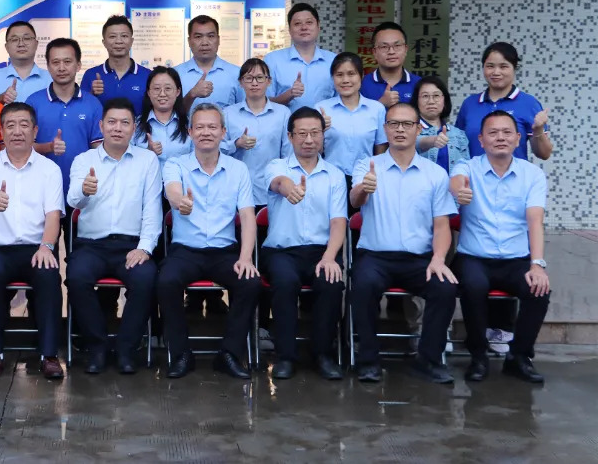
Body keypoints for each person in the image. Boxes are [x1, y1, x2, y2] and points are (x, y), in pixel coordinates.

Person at [349, 102, 458, 384]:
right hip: (375, 256)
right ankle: (368, 361)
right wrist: (364, 189)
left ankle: (429, 360)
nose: (400, 129)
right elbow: (355, 201)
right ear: (385, 129)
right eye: (393, 124)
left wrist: (438, 259)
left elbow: (442, 225)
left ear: (418, 129)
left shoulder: (435, 174)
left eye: (407, 124)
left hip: (419, 259)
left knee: (444, 288)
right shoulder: (368, 165)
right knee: (363, 285)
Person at [158, 103, 261, 380]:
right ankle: (181, 354)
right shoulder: (176, 164)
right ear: (190, 132)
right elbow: (172, 192)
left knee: (250, 282)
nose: (206, 132)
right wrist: (181, 202)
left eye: (212, 127)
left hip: (224, 252)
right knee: (166, 281)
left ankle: (229, 354)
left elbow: (247, 216)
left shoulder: (238, 169)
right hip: (185, 251)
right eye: (200, 127)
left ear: (223, 132)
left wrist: (245, 258)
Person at [450, 110, 551, 384]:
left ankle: (519, 357)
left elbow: (535, 221)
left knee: (538, 289)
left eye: (507, 132)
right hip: (473, 257)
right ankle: (478, 356)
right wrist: (459, 192)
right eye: (493, 133)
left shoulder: (532, 175)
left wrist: (537, 264)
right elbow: (456, 182)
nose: (500, 138)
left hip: (516, 259)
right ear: (481, 140)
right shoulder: (468, 167)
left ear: (518, 139)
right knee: (473, 287)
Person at [66, 97, 162, 374]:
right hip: (91, 246)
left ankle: (126, 348)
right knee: (76, 277)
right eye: (111, 122)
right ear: (101, 126)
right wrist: (84, 190)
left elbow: (152, 209)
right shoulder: (84, 160)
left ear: (134, 128)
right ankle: (96, 347)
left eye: (124, 123)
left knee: (146, 278)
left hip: (130, 245)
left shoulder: (147, 161)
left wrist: (144, 248)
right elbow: (73, 201)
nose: (117, 128)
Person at [0, 103, 66, 380]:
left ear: (35, 131)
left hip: (35, 247)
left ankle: (49, 355)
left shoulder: (49, 169)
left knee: (48, 274)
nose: (17, 131)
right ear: (1, 131)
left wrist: (47, 247)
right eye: (10, 125)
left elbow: (53, 215)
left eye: (24, 125)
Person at [261, 106, 346, 381]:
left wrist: (330, 257)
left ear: (323, 135)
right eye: (302, 134)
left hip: (321, 251)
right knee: (285, 282)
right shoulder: (277, 166)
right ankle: (285, 356)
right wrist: (290, 189)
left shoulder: (335, 175)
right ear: (290, 136)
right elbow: (279, 183)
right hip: (281, 251)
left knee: (330, 282)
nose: (309, 140)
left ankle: (323, 355)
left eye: (315, 133)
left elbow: (338, 222)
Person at [25, 38, 103, 203]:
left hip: (82, 190)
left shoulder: (93, 104)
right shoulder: (33, 102)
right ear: (48, 66)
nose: (61, 68)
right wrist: (49, 147)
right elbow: (23, 148)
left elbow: (99, 150)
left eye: (67, 62)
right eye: (55, 62)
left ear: (78, 65)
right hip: (41, 190)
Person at [456, 42, 551, 161]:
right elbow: (457, 147)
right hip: (474, 173)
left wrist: (538, 130)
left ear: (514, 68)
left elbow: (544, 154)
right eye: (490, 66)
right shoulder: (469, 104)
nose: (496, 72)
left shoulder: (529, 103)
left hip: (514, 173)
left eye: (503, 66)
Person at [222, 58, 291, 208]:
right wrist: (236, 144)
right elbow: (216, 150)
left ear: (269, 81)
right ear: (241, 82)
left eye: (260, 78)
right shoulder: (227, 114)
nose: (254, 83)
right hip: (235, 192)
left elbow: (288, 154)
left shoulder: (283, 114)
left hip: (272, 192)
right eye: (248, 78)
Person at [316, 53, 388, 187]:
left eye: (351, 74)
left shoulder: (376, 109)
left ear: (361, 76)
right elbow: (314, 153)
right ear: (332, 78)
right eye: (339, 75)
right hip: (330, 179)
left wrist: (376, 174)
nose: (345, 80)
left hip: (365, 179)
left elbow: (381, 148)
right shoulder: (321, 108)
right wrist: (319, 131)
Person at [265, 3, 337, 111]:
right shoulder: (272, 60)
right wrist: (289, 94)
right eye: (297, 23)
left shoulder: (333, 60)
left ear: (318, 27)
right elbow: (263, 103)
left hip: (325, 122)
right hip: (286, 122)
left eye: (309, 22)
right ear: (289, 30)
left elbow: (341, 100)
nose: (304, 27)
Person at [175, 15, 243, 113]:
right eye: (198, 37)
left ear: (218, 40)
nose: (205, 43)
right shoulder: (175, 74)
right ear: (189, 41)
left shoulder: (237, 73)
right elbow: (170, 115)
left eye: (210, 36)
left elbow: (244, 112)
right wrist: (191, 95)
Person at [83, 15, 150, 116]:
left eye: (124, 36)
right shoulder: (91, 75)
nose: (119, 41)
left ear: (132, 41)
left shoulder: (148, 75)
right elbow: (82, 112)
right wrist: (92, 95)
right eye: (112, 36)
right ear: (104, 42)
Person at [132, 66, 192, 168]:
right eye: (156, 89)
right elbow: (127, 163)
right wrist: (147, 153)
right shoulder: (135, 125)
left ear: (177, 92)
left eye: (168, 88)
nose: (162, 94)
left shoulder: (190, 124)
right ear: (149, 92)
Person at [0, 21, 52, 105]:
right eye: (14, 40)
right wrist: (1, 99)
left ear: (36, 44)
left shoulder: (51, 78)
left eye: (26, 38)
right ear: (6, 47)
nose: (21, 44)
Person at [412, 75, 469, 173]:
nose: (431, 101)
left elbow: (466, 168)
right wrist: (432, 141)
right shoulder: (409, 130)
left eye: (436, 96)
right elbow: (412, 143)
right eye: (425, 96)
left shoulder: (458, 134)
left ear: (444, 100)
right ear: (416, 101)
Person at [359, 22, 421, 107]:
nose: (391, 51)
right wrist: (380, 104)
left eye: (397, 45)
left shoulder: (419, 84)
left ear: (406, 49)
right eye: (384, 47)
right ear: (374, 52)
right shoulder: (361, 85)